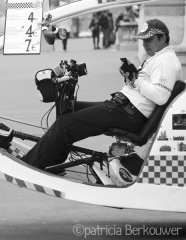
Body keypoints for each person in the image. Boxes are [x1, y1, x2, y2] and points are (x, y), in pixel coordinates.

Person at [22, 19, 182, 170]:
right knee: (70, 108)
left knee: (64, 124)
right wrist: (130, 78)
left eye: (149, 39)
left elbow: (160, 97)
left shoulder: (165, 61)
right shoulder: (158, 58)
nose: (144, 44)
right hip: (123, 106)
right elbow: (143, 87)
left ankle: (28, 166)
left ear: (162, 38)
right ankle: (52, 159)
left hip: (128, 113)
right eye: (143, 40)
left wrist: (135, 80)